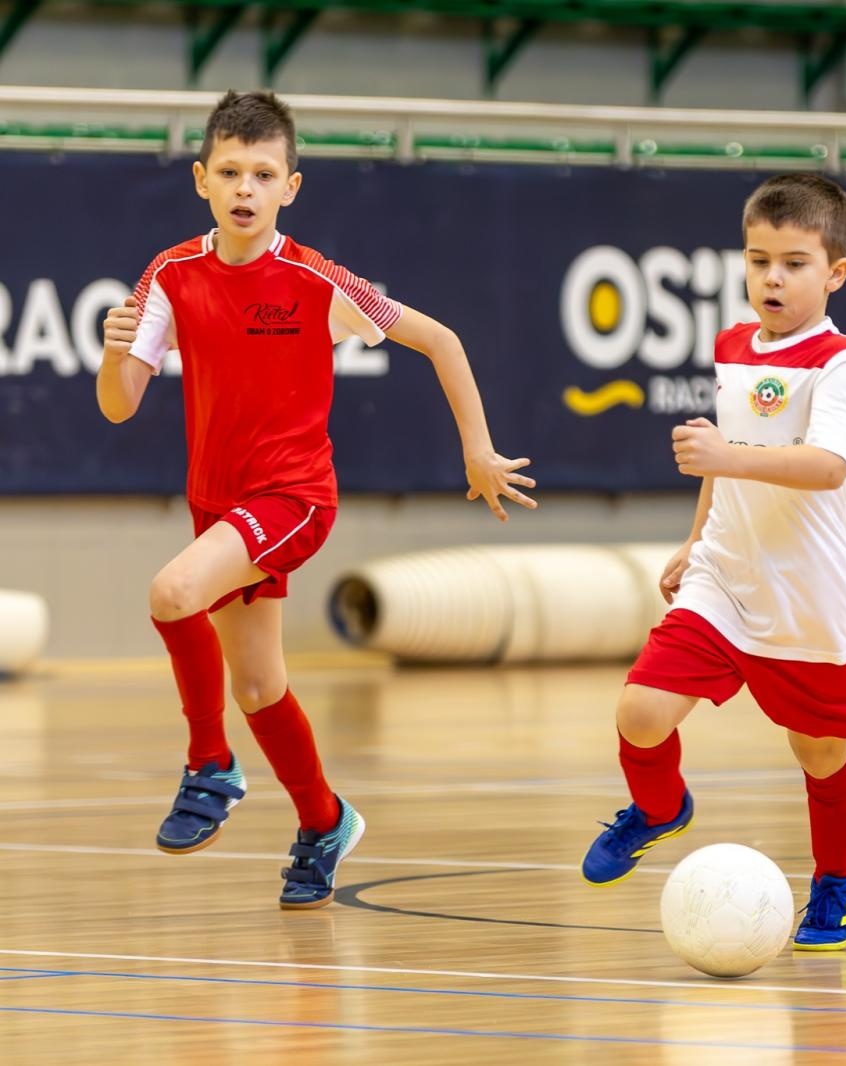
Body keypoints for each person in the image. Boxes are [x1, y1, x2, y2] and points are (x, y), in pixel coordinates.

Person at [97, 90, 536, 908]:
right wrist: (113, 355)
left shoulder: (316, 280)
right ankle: (325, 820)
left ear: (290, 187)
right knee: (260, 687)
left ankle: (210, 766)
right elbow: (119, 403)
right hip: (218, 506)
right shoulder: (170, 273)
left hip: (293, 498)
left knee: (171, 593)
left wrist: (476, 449)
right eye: (230, 171)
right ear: (201, 179)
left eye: (263, 174)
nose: (245, 188)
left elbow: (440, 339)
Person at [580, 173, 846, 949]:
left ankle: (840, 872)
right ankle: (658, 809)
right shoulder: (731, 344)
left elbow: (826, 467)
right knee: (640, 712)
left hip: (803, 593)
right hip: (724, 574)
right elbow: (724, 464)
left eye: (793, 262)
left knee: (819, 748)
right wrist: (697, 536)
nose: (772, 278)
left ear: (836, 272)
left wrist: (730, 454)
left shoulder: (838, 360)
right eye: (758, 261)